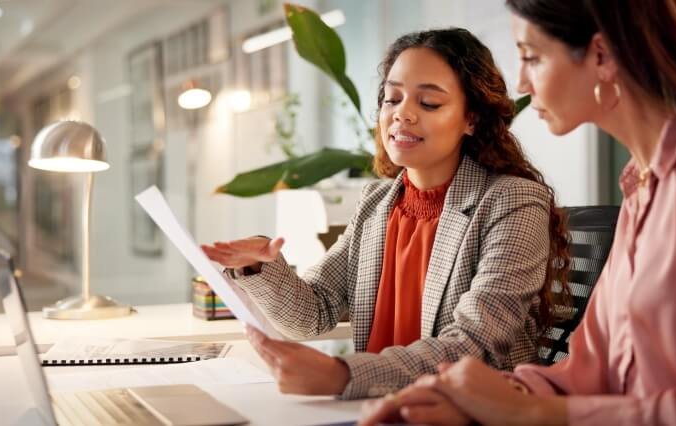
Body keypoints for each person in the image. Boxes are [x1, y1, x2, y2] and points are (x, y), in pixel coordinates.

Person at [360, 0, 676, 424]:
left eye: (532, 57)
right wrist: (478, 397)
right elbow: (588, 371)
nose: (522, 83)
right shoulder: (642, 184)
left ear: (600, 56)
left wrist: (531, 413)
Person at [201, 28, 570, 400]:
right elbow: (314, 313)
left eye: (429, 103)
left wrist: (341, 375)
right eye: (392, 98)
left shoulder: (513, 200)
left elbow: (474, 345)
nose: (402, 114)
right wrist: (259, 265)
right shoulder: (376, 202)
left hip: (467, 410)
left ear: (471, 119)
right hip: (378, 406)